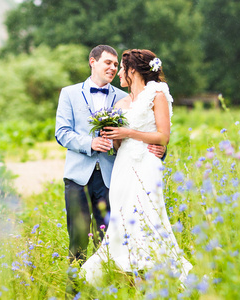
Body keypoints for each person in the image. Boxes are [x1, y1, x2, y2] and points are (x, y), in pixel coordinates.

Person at [80, 49, 193, 285]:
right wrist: (111, 134)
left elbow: (163, 136)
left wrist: (128, 132)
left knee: (147, 214)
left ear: (133, 70)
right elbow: (119, 142)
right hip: (123, 165)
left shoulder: (157, 93)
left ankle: (153, 271)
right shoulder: (122, 102)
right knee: (121, 217)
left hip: (146, 164)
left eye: (122, 67)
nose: (119, 72)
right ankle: (128, 275)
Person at [55, 45, 166, 268]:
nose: (113, 68)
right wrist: (90, 143)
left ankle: (106, 288)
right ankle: (74, 291)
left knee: (107, 240)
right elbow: (62, 133)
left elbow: (150, 127)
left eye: (116, 65)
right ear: (92, 62)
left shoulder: (128, 97)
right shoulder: (69, 93)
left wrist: (161, 150)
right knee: (76, 241)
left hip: (113, 177)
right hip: (78, 178)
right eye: (108, 63)